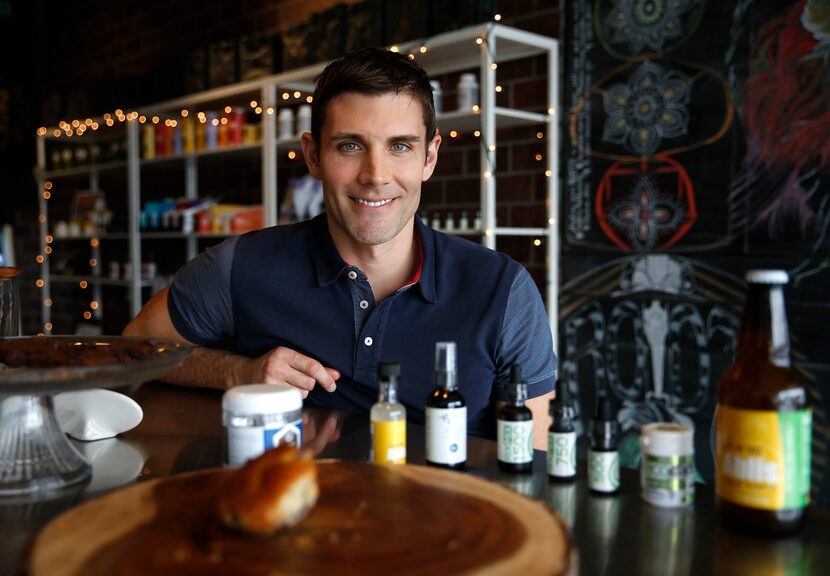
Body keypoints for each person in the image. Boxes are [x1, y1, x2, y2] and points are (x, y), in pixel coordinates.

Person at [123, 47, 557, 447]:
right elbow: (134, 350)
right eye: (350, 146)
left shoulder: (503, 292)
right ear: (312, 155)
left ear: (429, 157)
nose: (375, 175)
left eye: (400, 146)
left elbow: (531, 466)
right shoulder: (240, 267)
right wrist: (240, 372)